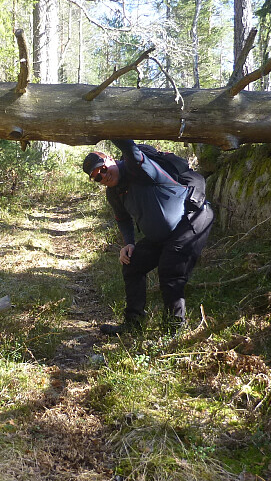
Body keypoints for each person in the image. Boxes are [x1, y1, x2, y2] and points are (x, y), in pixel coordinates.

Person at [83, 140, 214, 335]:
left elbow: (130, 149)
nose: (103, 176)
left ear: (110, 159)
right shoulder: (113, 193)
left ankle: (173, 331)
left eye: (102, 169)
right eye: (97, 177)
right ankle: (133, 324)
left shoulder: (136, 168)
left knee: (171, 270)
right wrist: (129, 243)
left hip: (192, 219)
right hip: (161, 234)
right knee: (132, 264)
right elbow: (123, 219)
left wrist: (109, 126)